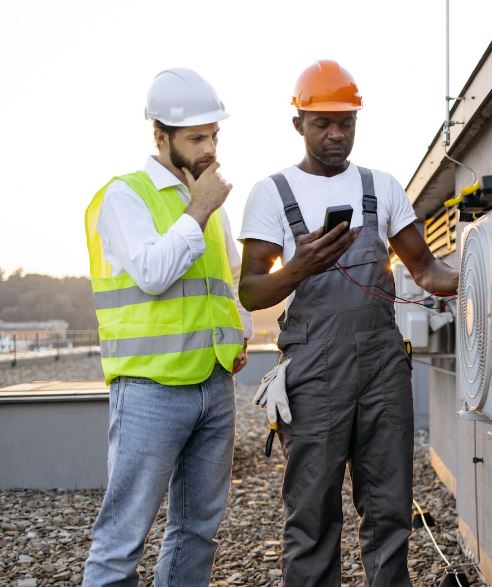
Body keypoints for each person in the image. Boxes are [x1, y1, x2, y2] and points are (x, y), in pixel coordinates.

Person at [238, 59, 458, 586]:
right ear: (299, 123)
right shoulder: (272, 194)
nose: (337, 134)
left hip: (383, 367)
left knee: (388, 508)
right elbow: (250, 289)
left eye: (347, 122)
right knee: (312, 514)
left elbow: (426, 269)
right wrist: (300, 266)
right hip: (314, 370)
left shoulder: (381, 187)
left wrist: (488, 273)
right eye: (323, 123)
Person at [83, 67, 252, 586]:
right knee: (122, 539)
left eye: (214, 136)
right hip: (149, 389)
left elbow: (230, 275)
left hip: (213, 383)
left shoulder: (208, 205)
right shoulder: (125, 196)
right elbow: (154, 275)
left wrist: (241, 329)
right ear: (161, 136)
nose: (209, 148)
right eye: (196, 137)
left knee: (197, 530)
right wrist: (199, 208)